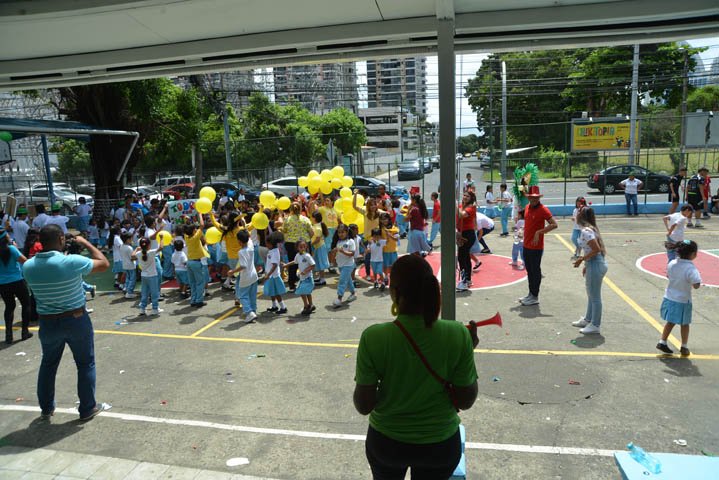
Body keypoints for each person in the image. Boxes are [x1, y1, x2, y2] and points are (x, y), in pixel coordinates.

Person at [353, 254, 479, 480]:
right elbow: (465, 401)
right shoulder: (458, 334)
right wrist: (466, 349)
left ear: (395, 292)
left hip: (387, 443)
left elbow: (364, 405)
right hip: (439, 444)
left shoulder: (374, 337)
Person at [23, 224, 110, 421]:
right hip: (76, 319)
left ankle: (46, 408)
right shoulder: (71, 262)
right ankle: (87, 408)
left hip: (47, 322)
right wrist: (85, 242)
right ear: (61, 239)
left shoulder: (28, 266)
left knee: (48, 364)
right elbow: (103, 263)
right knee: (85, 363)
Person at [656, 240, 701, 356]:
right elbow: (696, 285)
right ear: (693, 254)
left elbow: (668, 275)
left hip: (670, 297)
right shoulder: (691, 269)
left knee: (670, 321)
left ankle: (662, 341)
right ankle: (684, 346)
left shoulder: (672, 263)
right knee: (684, 323)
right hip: (683, 300)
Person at [571, 208, 608, 335]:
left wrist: (581, 259)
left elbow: (596, 249)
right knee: (591, 294)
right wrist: (586, 264)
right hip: (594, 264)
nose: (576, 214)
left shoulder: (586, 231)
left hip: (595, 264)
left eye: (579, 212)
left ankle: (595, 325)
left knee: (595, 297)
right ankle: (588, 319)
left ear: (581, 216)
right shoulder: (590, 229)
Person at [519, 186, 557, 306]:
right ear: (529, 198)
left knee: (535, 271)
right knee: (529, 271)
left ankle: (535, 296)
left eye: (536, 197)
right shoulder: (527, 207)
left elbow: (554, 224)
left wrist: (539, 232)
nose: (534, 199)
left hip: (536, 247)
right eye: (532, 197)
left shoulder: (543, 209)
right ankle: (531, 293)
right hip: (526, 244)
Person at [0, 229, 33, 344]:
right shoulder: (12, 249)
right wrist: (16, 248)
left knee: (9, 306)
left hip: (2, 283)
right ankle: (25, 332)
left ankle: (8, 335)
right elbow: (25, 261)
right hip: (17, 281)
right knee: (26, 304)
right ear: (5, 238)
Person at [282, 202, 314, 291]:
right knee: (306, 262)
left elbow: (284, 231)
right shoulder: (305, 219)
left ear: (291, 209)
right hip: (304, 243)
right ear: (300, 209)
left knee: (292, 264)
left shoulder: (287, 220)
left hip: (291, 243)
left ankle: (291, 284)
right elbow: (312, 233)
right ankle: (307, 281)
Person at [228, 229, 258, 323]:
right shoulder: (251, 247)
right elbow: (249, 238)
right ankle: (253, 310)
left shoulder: (241, 252)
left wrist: (232, 271)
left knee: (243, 296)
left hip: (246, 277)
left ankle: (249, 312)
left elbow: (243, 266)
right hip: (254, 275)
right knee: (252, 295)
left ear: (239, 241)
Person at [285, 239, 316, 315]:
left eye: (304, 247)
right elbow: (294, 262)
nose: (302, 248)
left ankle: (306, 306)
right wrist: (286, 265)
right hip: (302, 278)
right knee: (306, 292)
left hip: (308, 278)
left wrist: (306, 271)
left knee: (303, 292)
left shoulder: (307, 256)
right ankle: (310, 305)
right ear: (297, 248)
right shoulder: (297, 255)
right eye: (300, 247)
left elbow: (313, 265)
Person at [134, 237, 162, 316]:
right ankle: (155, 308)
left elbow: (132, 256)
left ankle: (142, 308)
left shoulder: (138, 254)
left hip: (144, 276)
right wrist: (161, 239)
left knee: (144, 292)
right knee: (154, 293)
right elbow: (161, 248)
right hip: (152, 275)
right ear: (149, 245)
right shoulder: (151, 252)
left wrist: (136, 249)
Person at [456, 191, 477, 292]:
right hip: (463, 233)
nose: (464, 197)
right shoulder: (462, 206)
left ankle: (464, 281)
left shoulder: (471, 208)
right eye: (464, 195)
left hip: (468, 234)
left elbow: (461, 215)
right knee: (466, 257)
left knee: (461, 257)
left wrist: (455, 204)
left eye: (467, 196)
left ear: (471, 198)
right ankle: (467, 279)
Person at [263, 231, 288, 314]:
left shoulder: (274, 252)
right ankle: (274, 305)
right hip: (271, 275)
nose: (266, 245)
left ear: (271, 244)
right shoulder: (272, 251)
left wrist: (268, 274)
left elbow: (274, 265)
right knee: (272, 291)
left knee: (276, 293)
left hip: (273, 276)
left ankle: (283, 307)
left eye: (267, 243)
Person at [333, 224, 357, 308]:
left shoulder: (351, 241)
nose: (341, 234)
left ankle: (339, 298)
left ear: (347, 232)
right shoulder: (338, 242)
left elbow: (352, 253)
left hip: (348, 265)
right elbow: (336, 254)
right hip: (340, 264)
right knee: (348, 280)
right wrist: (334, 253)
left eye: (342, 232)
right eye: (339, 232)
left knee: (342, 281)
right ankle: (353, 293)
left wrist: (343, 251)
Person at [119, 232, 137, 299]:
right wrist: (138, 256)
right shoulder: (129, 248)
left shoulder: (121, 246)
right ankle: (129, 292)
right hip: (131, 266)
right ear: (127, 239)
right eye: (131, 238)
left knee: (128, 278)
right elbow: (132, 258)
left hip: (125, 265)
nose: (132, 240)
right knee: (132, 279)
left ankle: (126, 288)